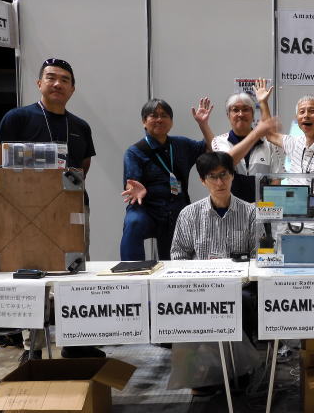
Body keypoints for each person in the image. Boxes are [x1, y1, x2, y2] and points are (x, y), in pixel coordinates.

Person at [0, 58, 101, 362]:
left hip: (72, 209)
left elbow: (82, 167)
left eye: (65, 80)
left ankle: (77, 343)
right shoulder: (17, 118)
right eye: (51, 77)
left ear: (73, 89)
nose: (57, 84)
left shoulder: (80, 126)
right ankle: (34, 348)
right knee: (31, 277)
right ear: (39, 83)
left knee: (75, 272)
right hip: (24, 211)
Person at [168, 152, 259, 394]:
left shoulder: (250, 213)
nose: (220, 183)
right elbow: (178, 256)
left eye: (224, 175)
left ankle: (239, 370)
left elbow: (257, 257)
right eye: (212, 177)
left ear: (232, 176)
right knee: (189, 305)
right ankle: (201, 373)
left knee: (243, 301)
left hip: (239, 287)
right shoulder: (189, 214)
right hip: (200, 287)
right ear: (202, 180)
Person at [120, 97, 214, 261]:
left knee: (173, 261)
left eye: (164, 115)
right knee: (134, 222)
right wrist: (135, 189)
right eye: (153, 115)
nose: (159, 119)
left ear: (171, 121)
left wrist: (203, 125)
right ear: (144, 121)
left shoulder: (182, 145)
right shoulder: (134, 152)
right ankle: (132, 269)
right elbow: (131, 184)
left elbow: (212, 149)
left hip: (177, 209)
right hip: (147, 208)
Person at [254, 79, 314, 204]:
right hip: (292, 213)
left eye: (312, 111)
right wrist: (263, 103)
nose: (306, 115)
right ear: (297, 118)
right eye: (301, 112)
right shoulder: (295, 143)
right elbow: (270, 135)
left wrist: (309, 205)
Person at [211, 91, 284, 202]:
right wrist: (256, 134)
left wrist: (265, 207)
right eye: (235, 110)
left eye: (245, 109)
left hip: (261, 209)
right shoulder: (219, 141)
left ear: (253, 114)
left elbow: (276, 180)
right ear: (228, 115)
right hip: (230, 209)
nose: (240, 114)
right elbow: (224, 164)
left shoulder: (269, 144)